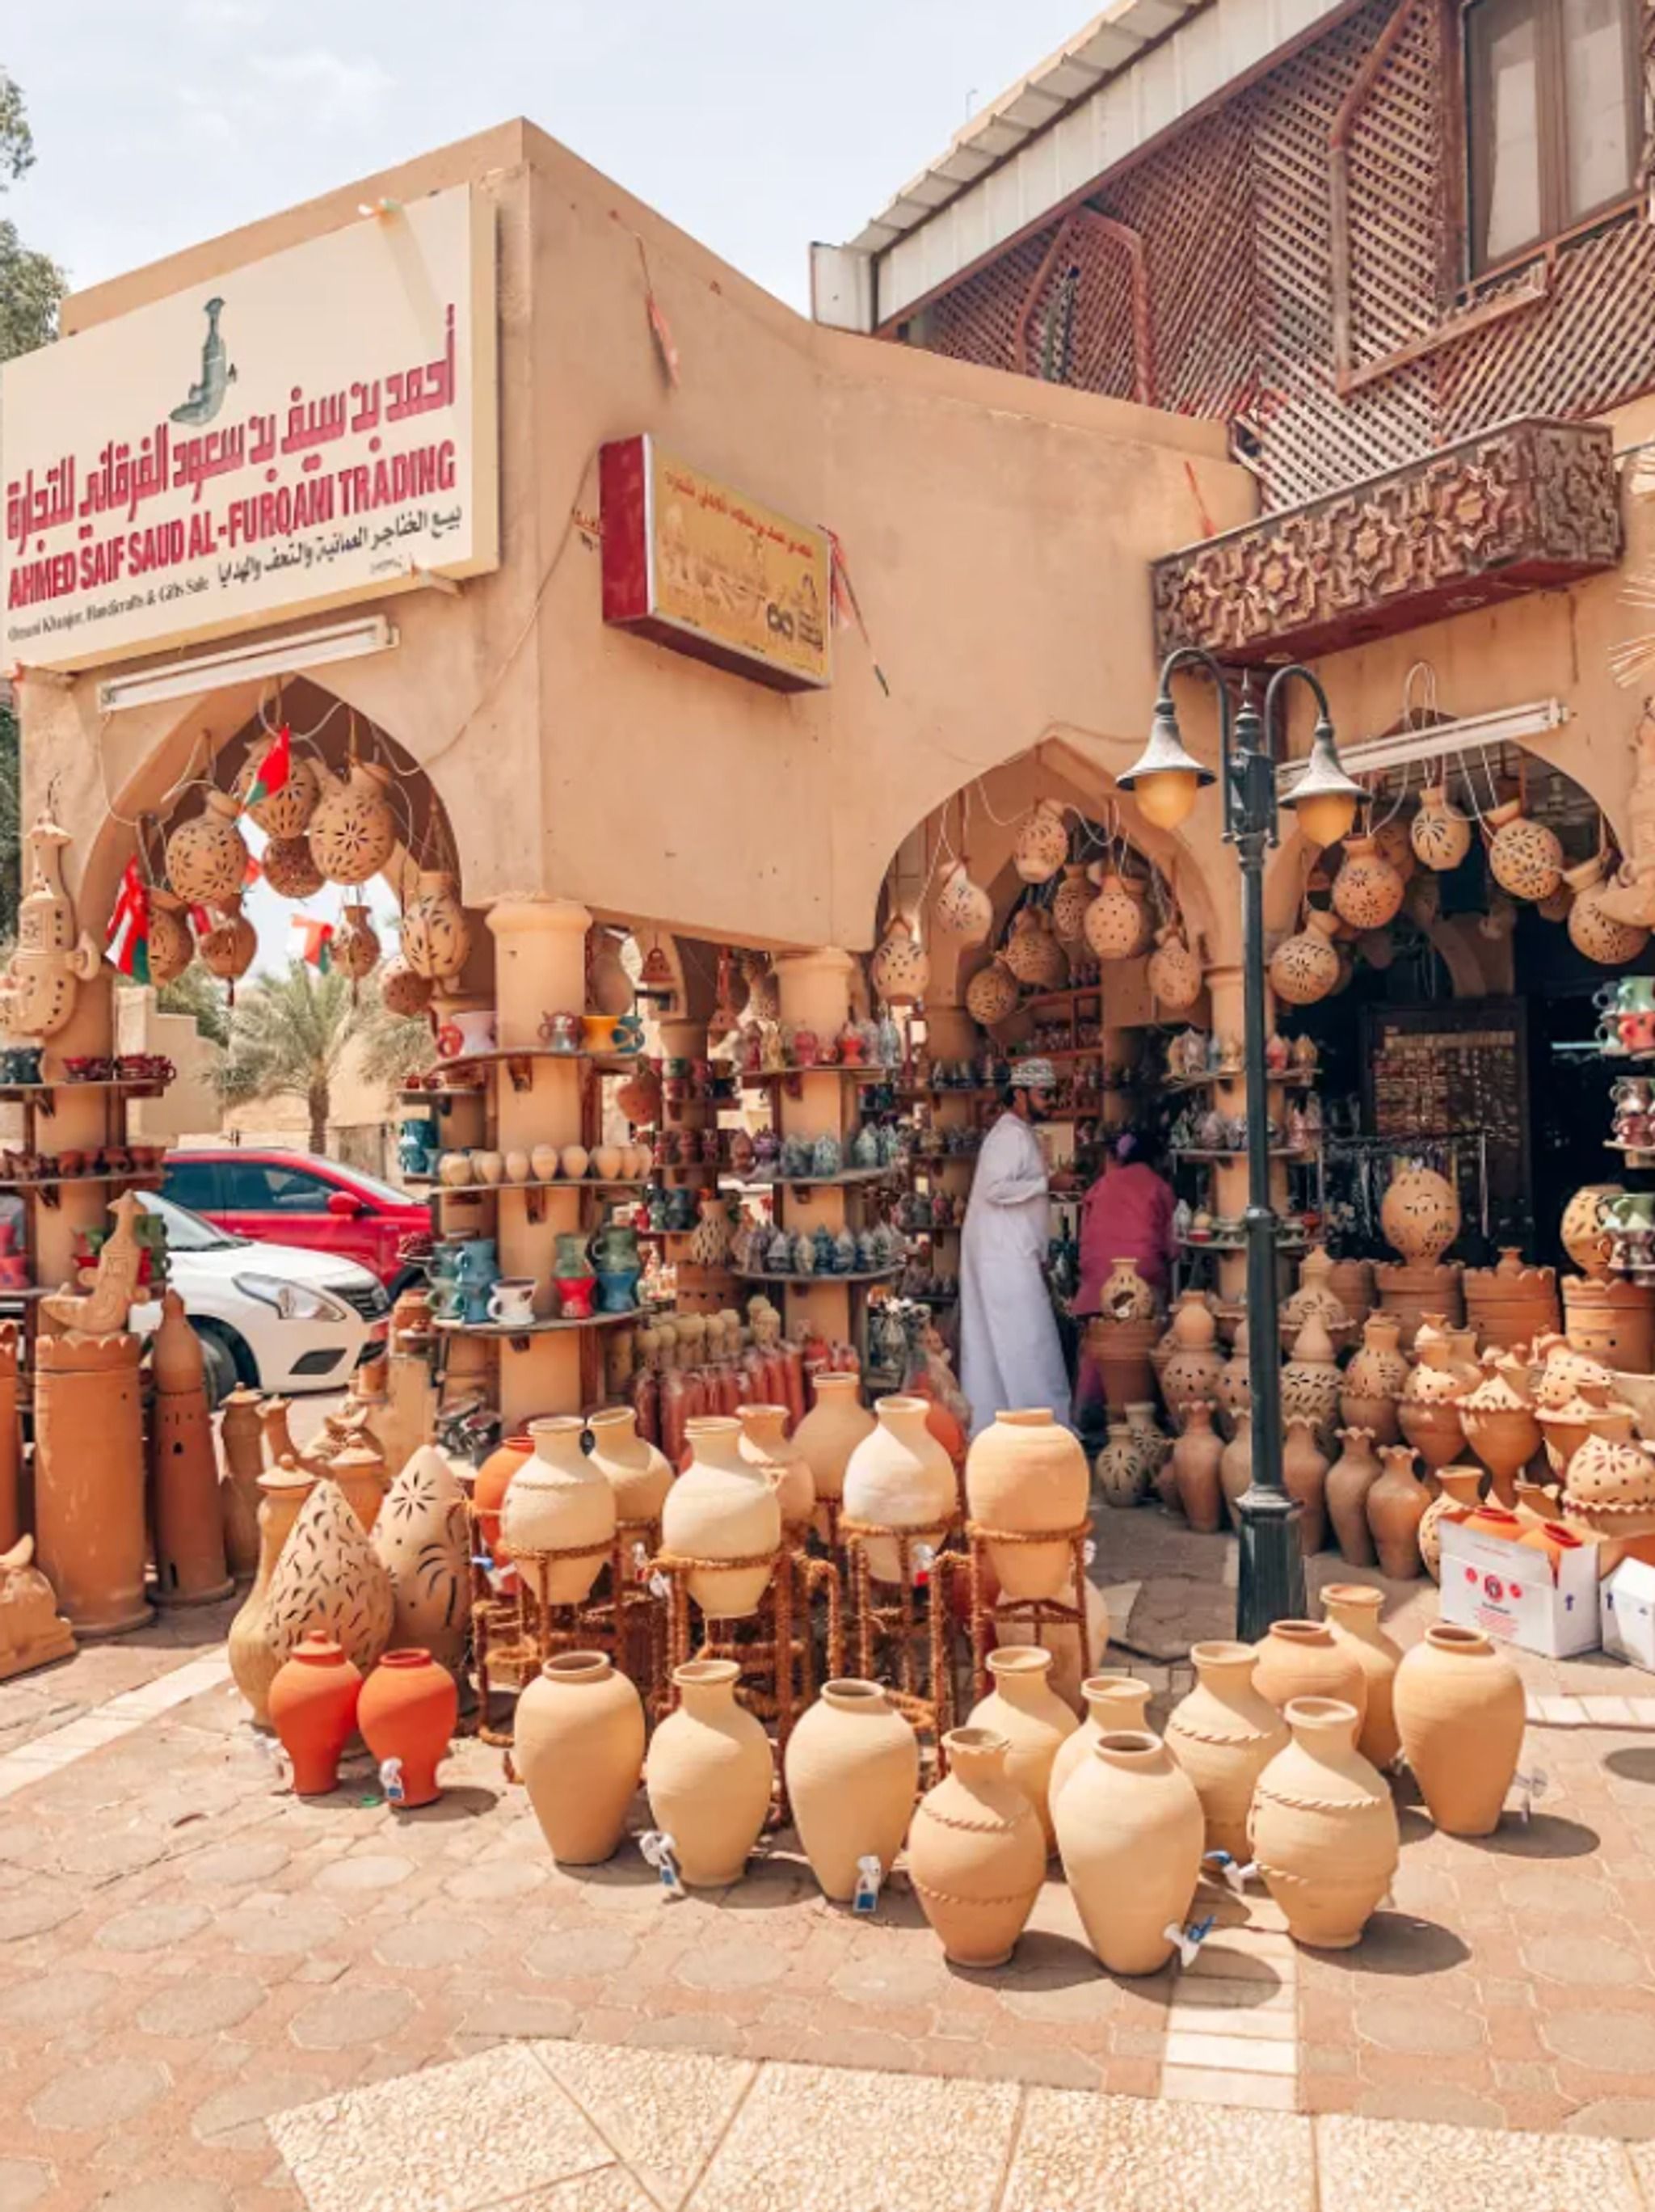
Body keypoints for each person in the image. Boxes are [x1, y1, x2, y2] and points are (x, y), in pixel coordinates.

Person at [958, 1057, 1074, 1439]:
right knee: (1028, 1340)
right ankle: (1041, 1428)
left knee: (1006, 1342)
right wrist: (1048, 1183)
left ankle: (1006, 1428)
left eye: (1052, 1094)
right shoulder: (1008, 1135)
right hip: (1001, 1259)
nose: (1050, 1102)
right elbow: (995, 1190)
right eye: (1044, 1095)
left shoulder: (1018, 1133)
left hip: (1010, 1255)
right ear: (1019, 1094)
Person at [1072, 1125, 1177, 1430]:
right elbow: (1171, 1246)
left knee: (1099, 1341)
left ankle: (1088, 1416)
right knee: (1150, 1338)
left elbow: (1086, 1240)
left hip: (1099, 1281)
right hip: (1142, 1279)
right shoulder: (1159, 1187)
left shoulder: (1101, 1186)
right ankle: (1147, 1417)